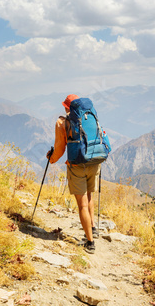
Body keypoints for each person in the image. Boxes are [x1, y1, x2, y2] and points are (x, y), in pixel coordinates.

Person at [47, 94, 101, 254]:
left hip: (77, 165)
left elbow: (60, 148)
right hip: (94, 160)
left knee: (82, 204)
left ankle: (90, 242)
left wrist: (51, 159)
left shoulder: (62, 122)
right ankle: (93, 227)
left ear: (66, 107)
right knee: (90, 197)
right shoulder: (89, 116)